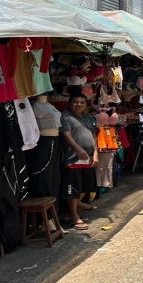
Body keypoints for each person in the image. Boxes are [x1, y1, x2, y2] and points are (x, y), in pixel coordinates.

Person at [59, 94, 99, 230]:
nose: (79, 105)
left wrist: (95, 153)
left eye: (82, 102)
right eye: (75, 102)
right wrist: (78, 149)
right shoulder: (65, 117)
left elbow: (94, 136)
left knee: (88, 184)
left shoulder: (88, 117)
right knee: (73, 188)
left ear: (86, 104)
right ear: (70, 103)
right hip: (73, 158)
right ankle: (75, 216)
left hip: (87, 157)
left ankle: (74, 209)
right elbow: (66, 135)